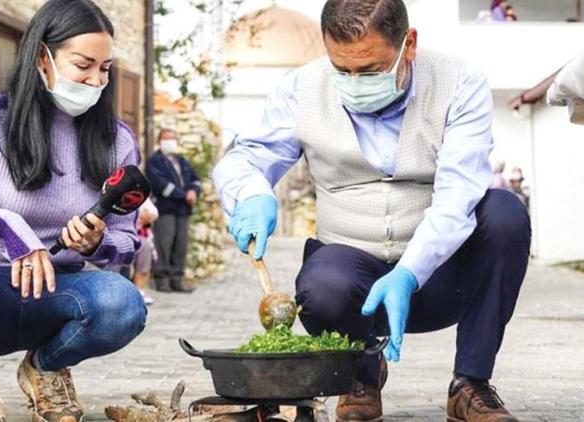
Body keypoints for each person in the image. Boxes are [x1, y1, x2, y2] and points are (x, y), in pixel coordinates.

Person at [212, 1, 531, 421]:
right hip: (349, 277)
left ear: (409, 44)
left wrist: (409, 271)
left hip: (439, 279)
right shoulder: (301, 89)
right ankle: (360, 374)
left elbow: (458, 195)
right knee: (323, 286)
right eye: (341, 71)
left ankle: (470, 384)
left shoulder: (459, 83)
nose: (354, 83)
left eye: (371, 70)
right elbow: (244, 159)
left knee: (505, 213)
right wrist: (252, 193)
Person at [0, 1, 146, 421]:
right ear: (43, 56)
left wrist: (97, 243)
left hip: (60, 291)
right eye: (83, 65)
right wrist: (9, 228)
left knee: (124, 305)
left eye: (106, 69)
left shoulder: (118, 140)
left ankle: (45, 369)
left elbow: (127, 243)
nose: (96, 80)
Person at [146, 129, 202, 293]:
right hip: (165, 209)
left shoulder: (182, 160)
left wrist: (194, 192)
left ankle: (177, 279)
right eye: (166, 138)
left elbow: (195, 180)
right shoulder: (155, 161)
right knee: (164, 244)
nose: (170, 141)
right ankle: (162, 279)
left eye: (172, 138)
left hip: (183, 210)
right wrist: (184, 194)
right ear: (159, 141)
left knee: (181, 245)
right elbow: (160, 184)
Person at [133, 198, 160, 305]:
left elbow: (154, 212)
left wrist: (148, 216)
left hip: (140, 235)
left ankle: (139, 290)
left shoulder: (140, 194)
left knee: (145, 248)